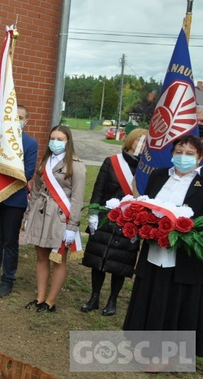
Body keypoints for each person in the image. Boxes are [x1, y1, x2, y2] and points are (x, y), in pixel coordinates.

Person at [123, 135, 203, 357]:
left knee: (173, 302)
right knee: (151, 297)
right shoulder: (158, 175)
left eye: (189, 154)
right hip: (154, 250)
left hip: (184, 259)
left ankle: (170, 355)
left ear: (200, 158)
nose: (183, 157)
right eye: (179, 152)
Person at [80, 128, 148, 316]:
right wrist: (94, 214)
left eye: (145, 143)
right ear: (130, 142)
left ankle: (112, 300)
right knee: (98, 261)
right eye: (138, 141)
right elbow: (98, 189)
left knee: (120, 264)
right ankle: (94, 297)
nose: (141, 146)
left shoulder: (148, 170)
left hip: (129, 222)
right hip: (106, 220)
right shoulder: (111, 162)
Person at [0, 105, 39, 297]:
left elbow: (27, 172)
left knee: (10, 241)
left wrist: (3, 181)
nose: (17, 120)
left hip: (15, 199)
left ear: (26, 121)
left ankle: (8, 279)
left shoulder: (30, 143)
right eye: (14, 117)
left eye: (21, 117)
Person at [23, 125, 86, 312]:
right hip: (40, 214)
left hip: (60, 217)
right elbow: (35, 190)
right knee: (41, 257)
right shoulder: (45, 161)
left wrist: (72, 226)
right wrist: (28, 215)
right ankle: (40, 298)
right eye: (52, 139)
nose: (55, 143)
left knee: (58, 259)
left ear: (68, 142)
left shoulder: (76, 165)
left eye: (60, 139)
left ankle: (50, 302)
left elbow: (77, 198)